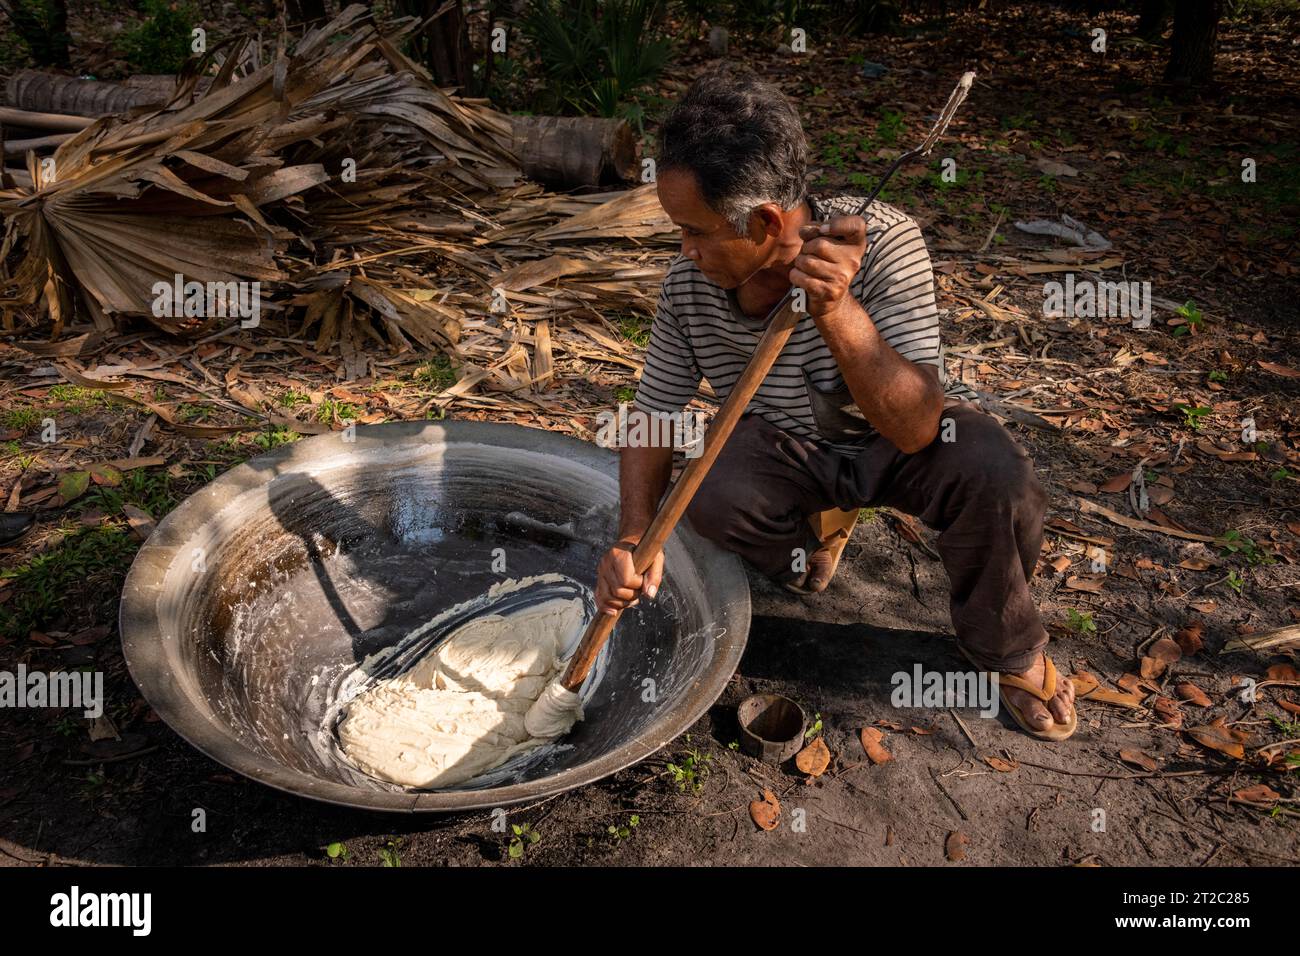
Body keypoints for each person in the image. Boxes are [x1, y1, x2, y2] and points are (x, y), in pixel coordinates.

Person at [592, 67, 1075, 741]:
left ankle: (1005, 649)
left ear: (763, 221)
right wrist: (633, 537)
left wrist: (837, 309)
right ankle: (811, 544)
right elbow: (653, 414)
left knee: (993, 472)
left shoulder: (883, 243)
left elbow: (916, 426)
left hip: (896, 444)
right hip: (789, 447)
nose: (685, 250)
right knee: (712, 492)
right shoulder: (687, 288)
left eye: (694, 230)